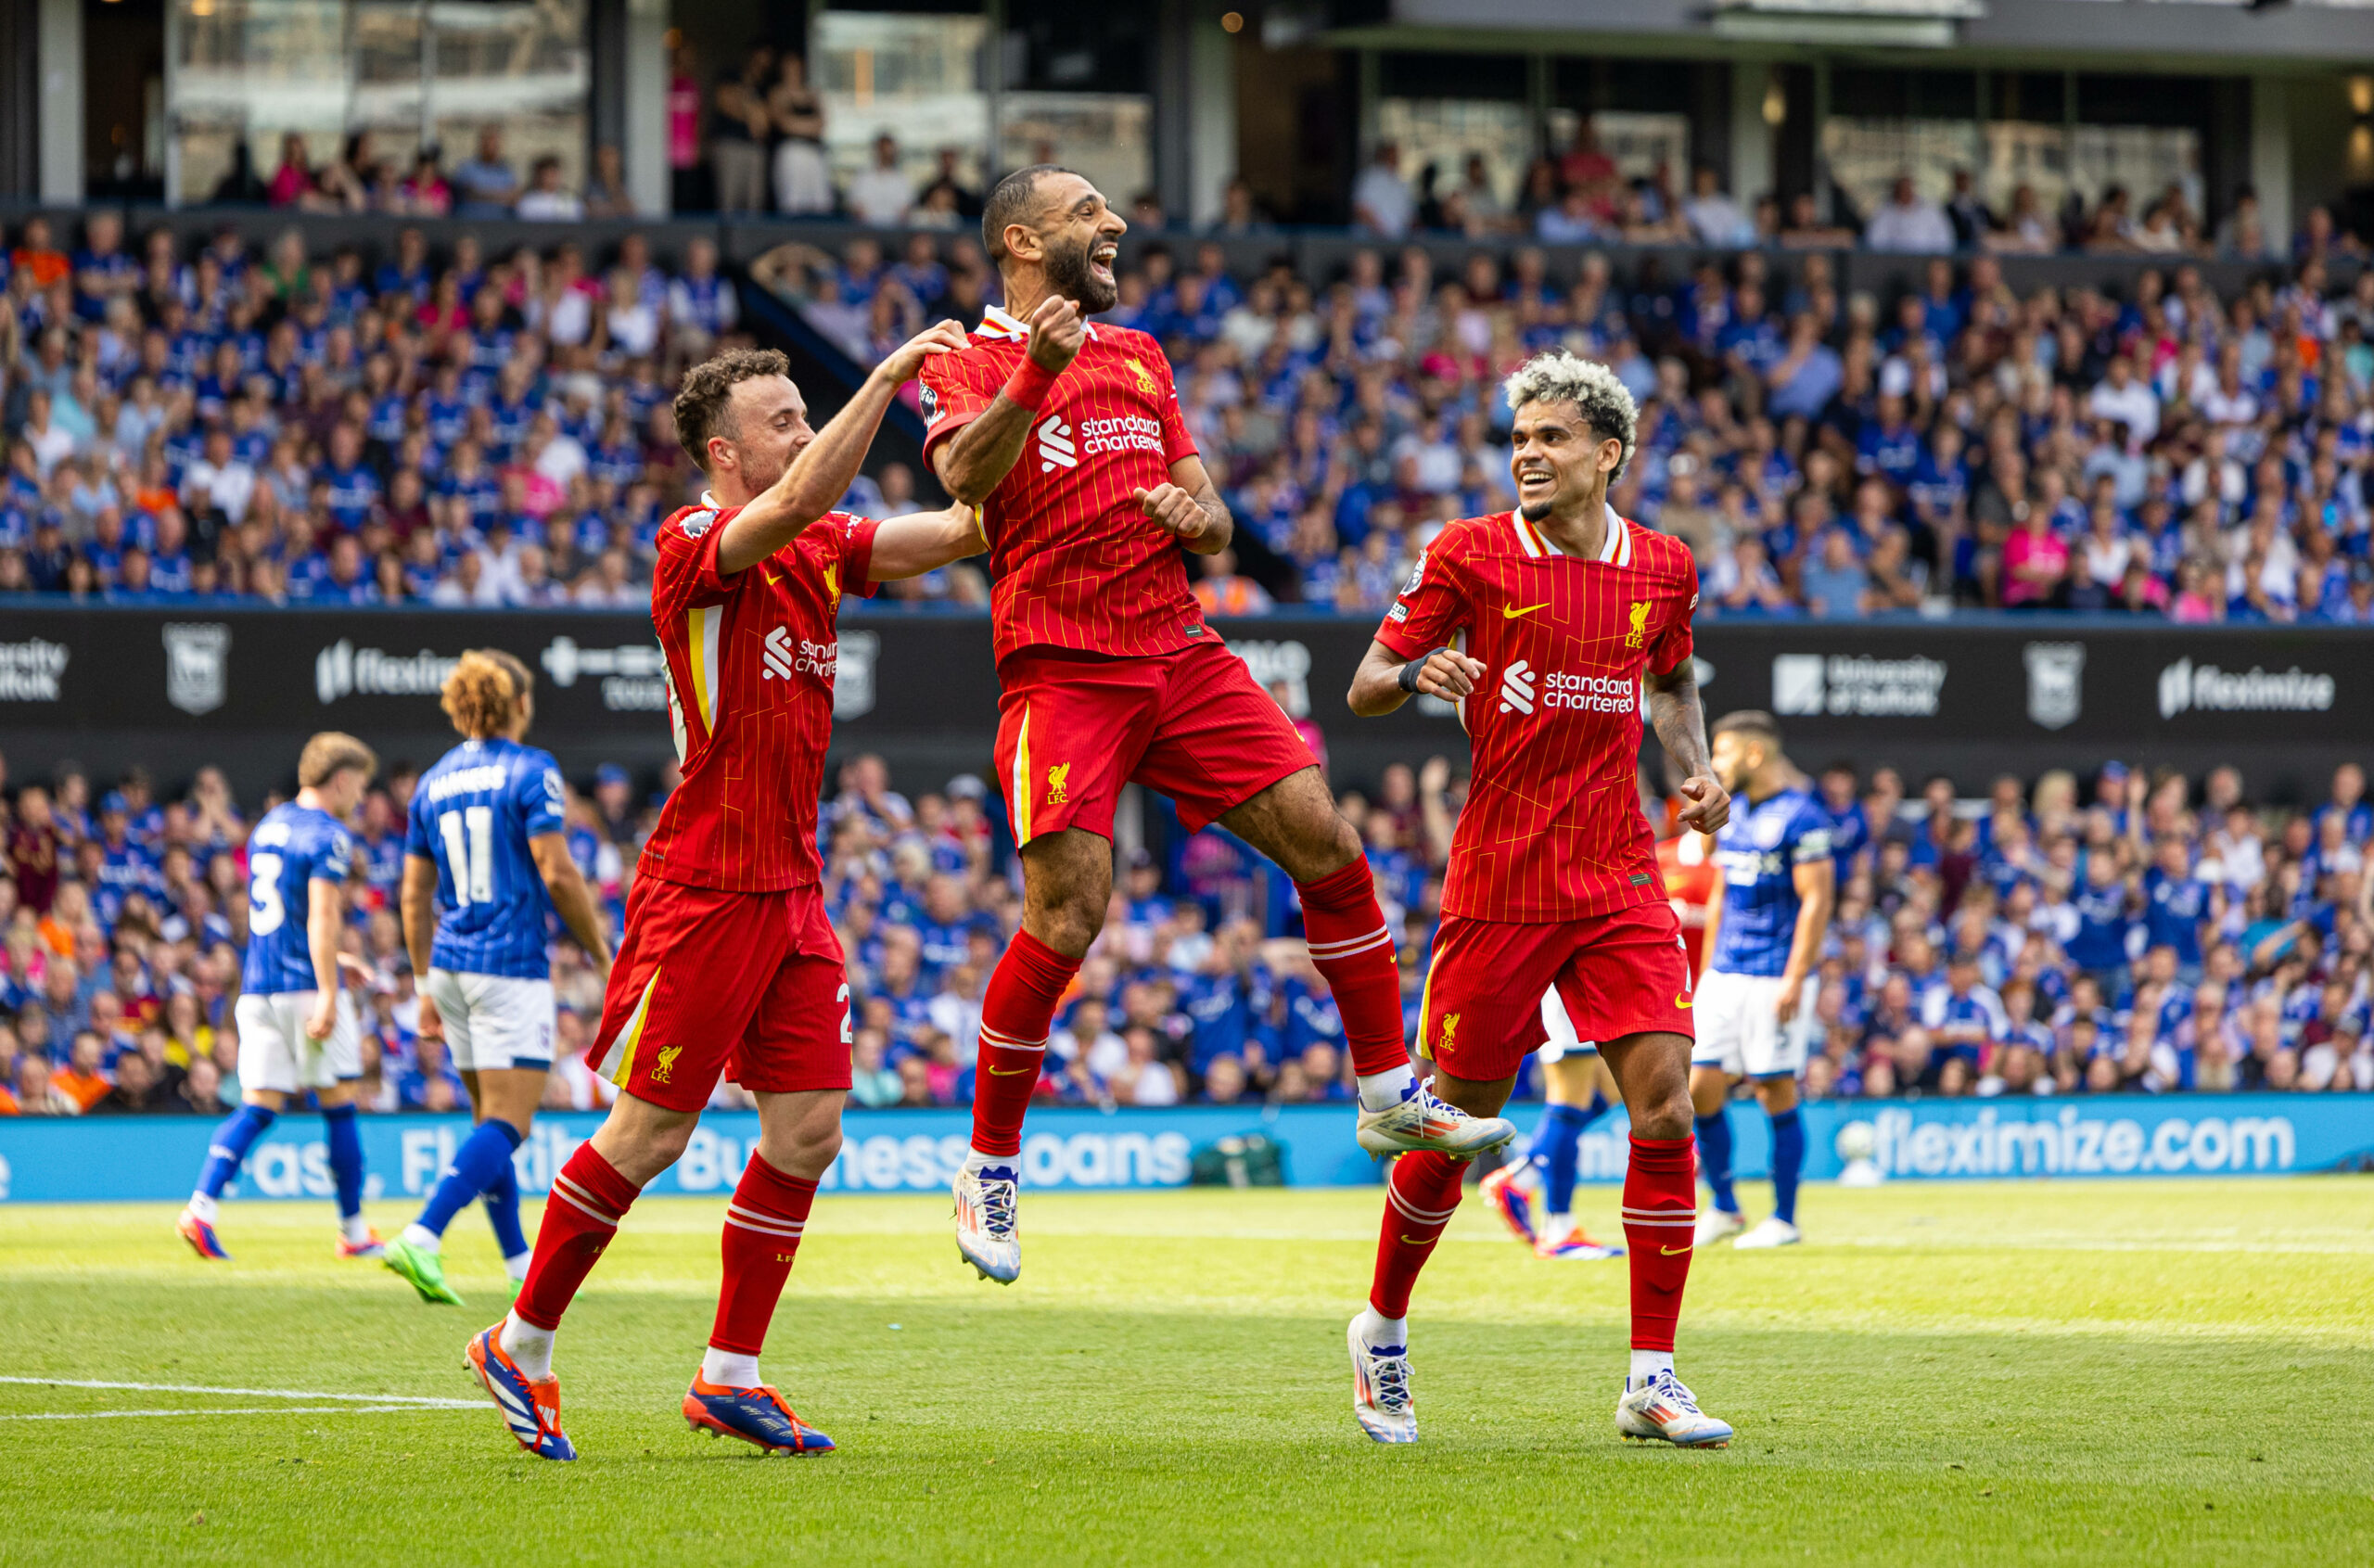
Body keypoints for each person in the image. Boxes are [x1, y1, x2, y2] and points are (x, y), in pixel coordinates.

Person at [919, 165, 1509, 1287]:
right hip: (1061, 667)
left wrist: (1202, 518)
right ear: (1020, 238)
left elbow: (1219, 520)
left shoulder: (1141, 355)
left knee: (1328, 844)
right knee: (1069, 908)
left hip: (1178, 648)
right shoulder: (962, 355)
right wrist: (1034, 372)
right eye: (1089, 210)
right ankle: (990, 1161)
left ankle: (1391, 1098)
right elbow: (966, 480)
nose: (1117, 224)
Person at [461, 331, 986, 1462]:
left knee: (808, 1129)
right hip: (703, 883)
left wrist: (1044, 455)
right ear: (724, 451)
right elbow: (801, 497)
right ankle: (523, 1340)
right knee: (648, 1134)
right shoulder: (695, 540)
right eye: (782, 418)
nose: (800, 429)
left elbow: (950, 530)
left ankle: (728, 1374)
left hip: (790, 887)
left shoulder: (822, 546)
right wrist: (887, 382)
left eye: (806, 411)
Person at [1339, 350, 1734, 1447]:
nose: (1526, 455)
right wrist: (1418, 673)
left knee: (1663, 1104)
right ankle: (1380, 1331)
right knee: (1451, 1135)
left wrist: (1692, 772)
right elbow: (1363, 683)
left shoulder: (1661, 565)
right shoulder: (1468, 551)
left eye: (1549, 439)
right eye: (1517, 441)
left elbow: (1672, 678)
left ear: (1607, 453)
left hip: (1616, 872)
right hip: (1501, 880)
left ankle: (1651, 1377)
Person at [380, 649, 614, 1307]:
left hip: (451, 965)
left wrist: (425, 984)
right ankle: (423, 1234)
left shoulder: (431, 781)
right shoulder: (531, 769)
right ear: (517, 703)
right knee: (511, 1122)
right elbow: (558, 869)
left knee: (489, 1117)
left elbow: (412, 893)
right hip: (508, 967)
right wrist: (601, 950)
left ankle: (518, 1263)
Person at [176, 733, 381, 1261]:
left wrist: (335, 960)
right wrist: (330, 991)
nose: (360, 795)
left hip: (259, 987)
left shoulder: (269, 826)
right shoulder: (329, 836)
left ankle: (201, 1208)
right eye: (359, 784)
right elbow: (320, 916)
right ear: (340, 779)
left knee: (258, 1106)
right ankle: (354, 1233)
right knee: (338, 1105)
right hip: (303, 991)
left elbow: (281, 920)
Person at [1689, 711, 1836, 1251]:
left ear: (1755, 754)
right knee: (1699, 1085)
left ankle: (1785, 1218)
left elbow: (1817, 901)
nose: (1717, 763)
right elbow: (1721, 894)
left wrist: (1797, 977)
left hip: (1775, 973)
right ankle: (1725, 1206)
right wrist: (1705, 971)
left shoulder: (1802, 816)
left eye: (1724, 752)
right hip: (1725, 972)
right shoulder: (1735, 813)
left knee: (1774, 1087)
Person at [1476, 990, 1623, 1259]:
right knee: (1570, 1098)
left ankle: (1520, 1176)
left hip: (1602, 980)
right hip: (1574, 977)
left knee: (1614, 1087)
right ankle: (1558, 1230)